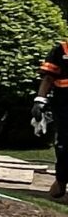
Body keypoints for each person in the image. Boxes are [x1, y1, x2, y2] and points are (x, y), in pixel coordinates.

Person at [41, 33, 68, 199]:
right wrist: (40, 100)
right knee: (64, 146)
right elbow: (48, 77)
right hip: (64, 107)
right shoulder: (61, 50)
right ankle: (61, 181)